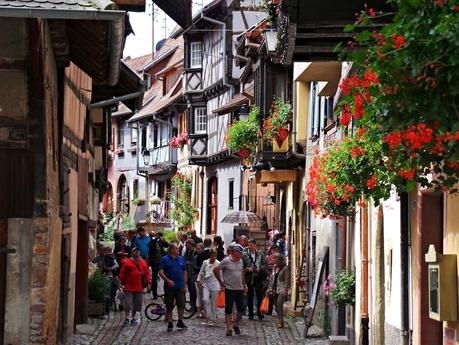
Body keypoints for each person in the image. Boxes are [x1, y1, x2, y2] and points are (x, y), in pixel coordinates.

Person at [213, 244, 248, 337]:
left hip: (240, 288)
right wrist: (221, 281)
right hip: (229, 288)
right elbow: (216, 270)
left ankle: (236, 324)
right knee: (228, 310)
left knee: (241, 309)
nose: (241, 255)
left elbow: (242, 273)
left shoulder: (240, 261)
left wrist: (244, 285)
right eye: (240, 253)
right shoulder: (226, 261)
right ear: (235, 252)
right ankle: (229, 328)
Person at [118, 246, 151, 325]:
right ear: (132, 253)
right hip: (129, 286)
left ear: (139, 252)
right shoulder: (127, 262)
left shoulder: (143, 262)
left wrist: (149, 283)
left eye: (138, 251)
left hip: (139, 287)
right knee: (128, 304)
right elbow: (122, 273)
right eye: (134, 251)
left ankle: (133, 318)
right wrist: (119, 282)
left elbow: (147, 273)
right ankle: (126, 318)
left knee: (136, 304)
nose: (136, 253)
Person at [159, 243, 188, 332]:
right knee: (169, 305)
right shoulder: (164, 259)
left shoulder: (181, 259)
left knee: (181, 304)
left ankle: (180, 321)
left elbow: (185, 271)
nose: (178, 250)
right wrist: (168, 280)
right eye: (177, 249)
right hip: (169, 287)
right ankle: (170, 323)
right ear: (172, 250)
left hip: (180, 286)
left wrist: (185, 284)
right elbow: (161, 272)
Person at [242, 239, 267, 320]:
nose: (249, 246)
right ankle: (250, 313)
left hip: (258, 277)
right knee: (250, 296)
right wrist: (248, 269)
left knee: (259, 295)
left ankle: (259, 313)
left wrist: (260, 268)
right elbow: (242, 265)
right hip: (249, 277)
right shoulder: (245, 254)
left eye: (251, 245)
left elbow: (265, 264)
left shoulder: (260, 254)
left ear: (255, 245)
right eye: (248, 245)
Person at [198, 249, 220, 326]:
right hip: (206, 283)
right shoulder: (205, 262)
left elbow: (221, 275)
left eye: (215, 255)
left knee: (213, 303)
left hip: (215, 284)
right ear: (210, 256)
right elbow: (202, 272)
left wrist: (222, 284)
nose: (213, 257)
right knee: (205, 299)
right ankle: (207, 317)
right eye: (212, 255)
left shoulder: (218, 263)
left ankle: (213, 319)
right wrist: (199, 281)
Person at [267, 255, 290, 328]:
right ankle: (280, 319)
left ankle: (280, 320)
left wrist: (285, 289)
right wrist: (269, 288)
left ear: (280, 261)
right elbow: (271, 278)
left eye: (276, 261)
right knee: (276, 306)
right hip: (274, 289)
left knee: (279, 304)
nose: (275, 262)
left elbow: (287, 280)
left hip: (281, 289)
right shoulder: (274, 268)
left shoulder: (285, 269)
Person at [148, 232, 169, 299]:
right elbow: (150, 246)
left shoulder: (161, 242)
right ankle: (155, 294)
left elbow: (167, 245)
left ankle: (167, 293)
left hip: (162, 262)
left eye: (159, 236)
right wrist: (155, 239)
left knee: (166, 276)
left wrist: (162, 239)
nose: (158, 237)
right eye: (157, 236)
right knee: (154, 278)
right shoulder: (152, 241)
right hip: (154, 262)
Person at [183, 239, 197, 312]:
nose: (185, 245)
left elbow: (195, 263)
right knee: (191, 291)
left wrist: (188, 262)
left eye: (186, 244)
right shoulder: (188, 251)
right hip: (188, 273)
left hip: (193, 274)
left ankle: (195, 307)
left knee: (193, 291)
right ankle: (192, 306)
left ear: (190, 244)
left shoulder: (195, 252)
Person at [266, 245, 281, 315]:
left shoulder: (281, 257)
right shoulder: (268, 258)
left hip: (279, 280)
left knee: (277, 296)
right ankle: (269, 310)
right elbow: (266, 266)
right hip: (271, 278)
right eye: (273, 250)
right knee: (270, 295)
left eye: (276, 250)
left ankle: (278, 311)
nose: (275, 252)